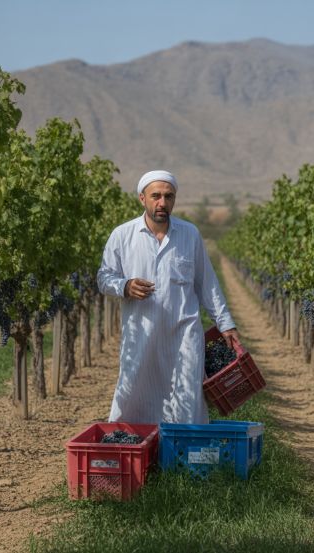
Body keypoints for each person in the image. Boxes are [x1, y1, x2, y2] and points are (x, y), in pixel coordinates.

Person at [97, 169, 241, 425]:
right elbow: (104, 278)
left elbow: (207, 283)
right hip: (140, 332)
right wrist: (125, 286)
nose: (162, 203)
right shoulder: (122, 236)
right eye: (156, 196)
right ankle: (135, 446)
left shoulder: (190, 234)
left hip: (183, 334)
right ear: (142, 198)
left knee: (186, 395)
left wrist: (225, 322)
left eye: (168, 196)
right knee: (133, 393)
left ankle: (183, 454)